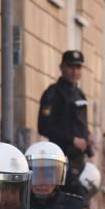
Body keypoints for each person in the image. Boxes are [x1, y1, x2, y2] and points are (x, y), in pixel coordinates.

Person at [38, 49, 94, 195]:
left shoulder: (80, 94)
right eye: (70, 67)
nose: (74, 72)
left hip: (79, 161)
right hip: (59, 159)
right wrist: (71, 139)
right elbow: (44, 127)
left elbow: (81, 125)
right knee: (62, 200)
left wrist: (88, 139)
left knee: (81, 202)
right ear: (62, 67)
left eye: (78, 67)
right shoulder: (52, 93)